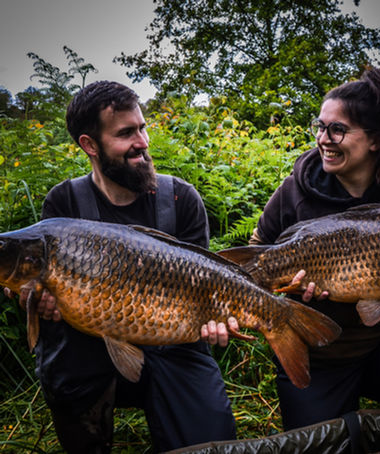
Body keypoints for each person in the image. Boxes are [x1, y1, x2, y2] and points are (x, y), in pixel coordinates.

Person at [21, 81, 237, 453]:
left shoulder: (181, 198)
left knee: (213, 443)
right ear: (90, 144)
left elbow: (206, 288)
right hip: (89, 346)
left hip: (173, 343)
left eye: (142, 127)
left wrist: (216, 316)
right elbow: (41, 292)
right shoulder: (64, 201)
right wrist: (42, 303)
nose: (143, 142)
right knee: (67, 367)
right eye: (126, 133)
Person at [250, 66, 380, 430]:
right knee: (316, 442)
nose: (324, 139)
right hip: (321, 351)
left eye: (337, 129)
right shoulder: (294, 192)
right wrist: (288, 297)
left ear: (375, 140)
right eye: (320, 126)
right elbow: (257, 255)